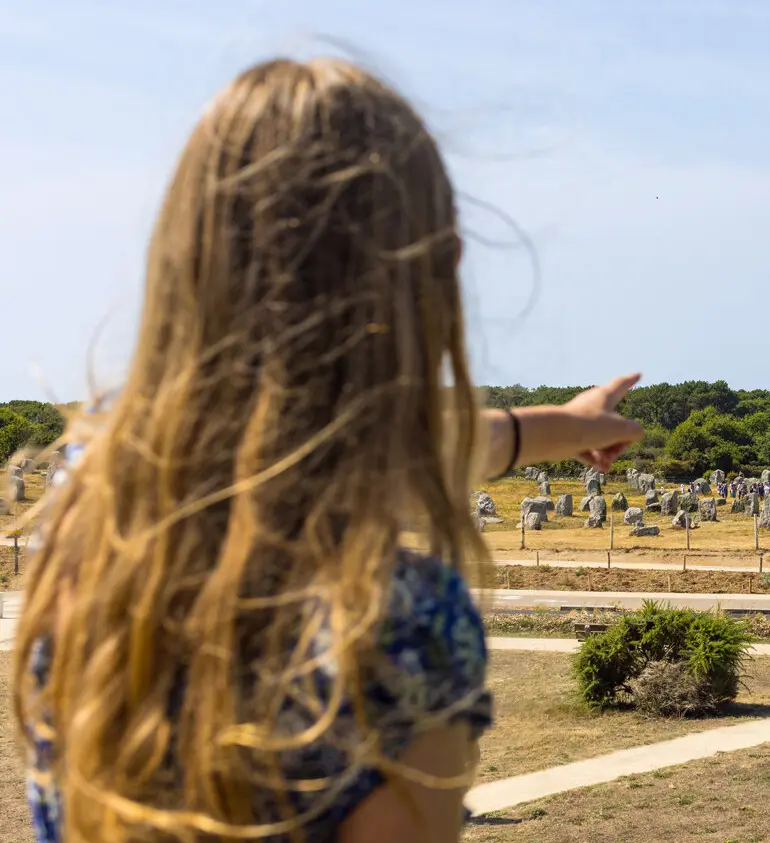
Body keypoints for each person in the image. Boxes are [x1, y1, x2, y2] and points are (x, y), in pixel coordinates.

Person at [15, 58, 644, 843]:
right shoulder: (400, 624)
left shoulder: (96, 489)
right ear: (439, 268)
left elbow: (425, 445)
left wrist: (576, 424)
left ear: (185, 253)